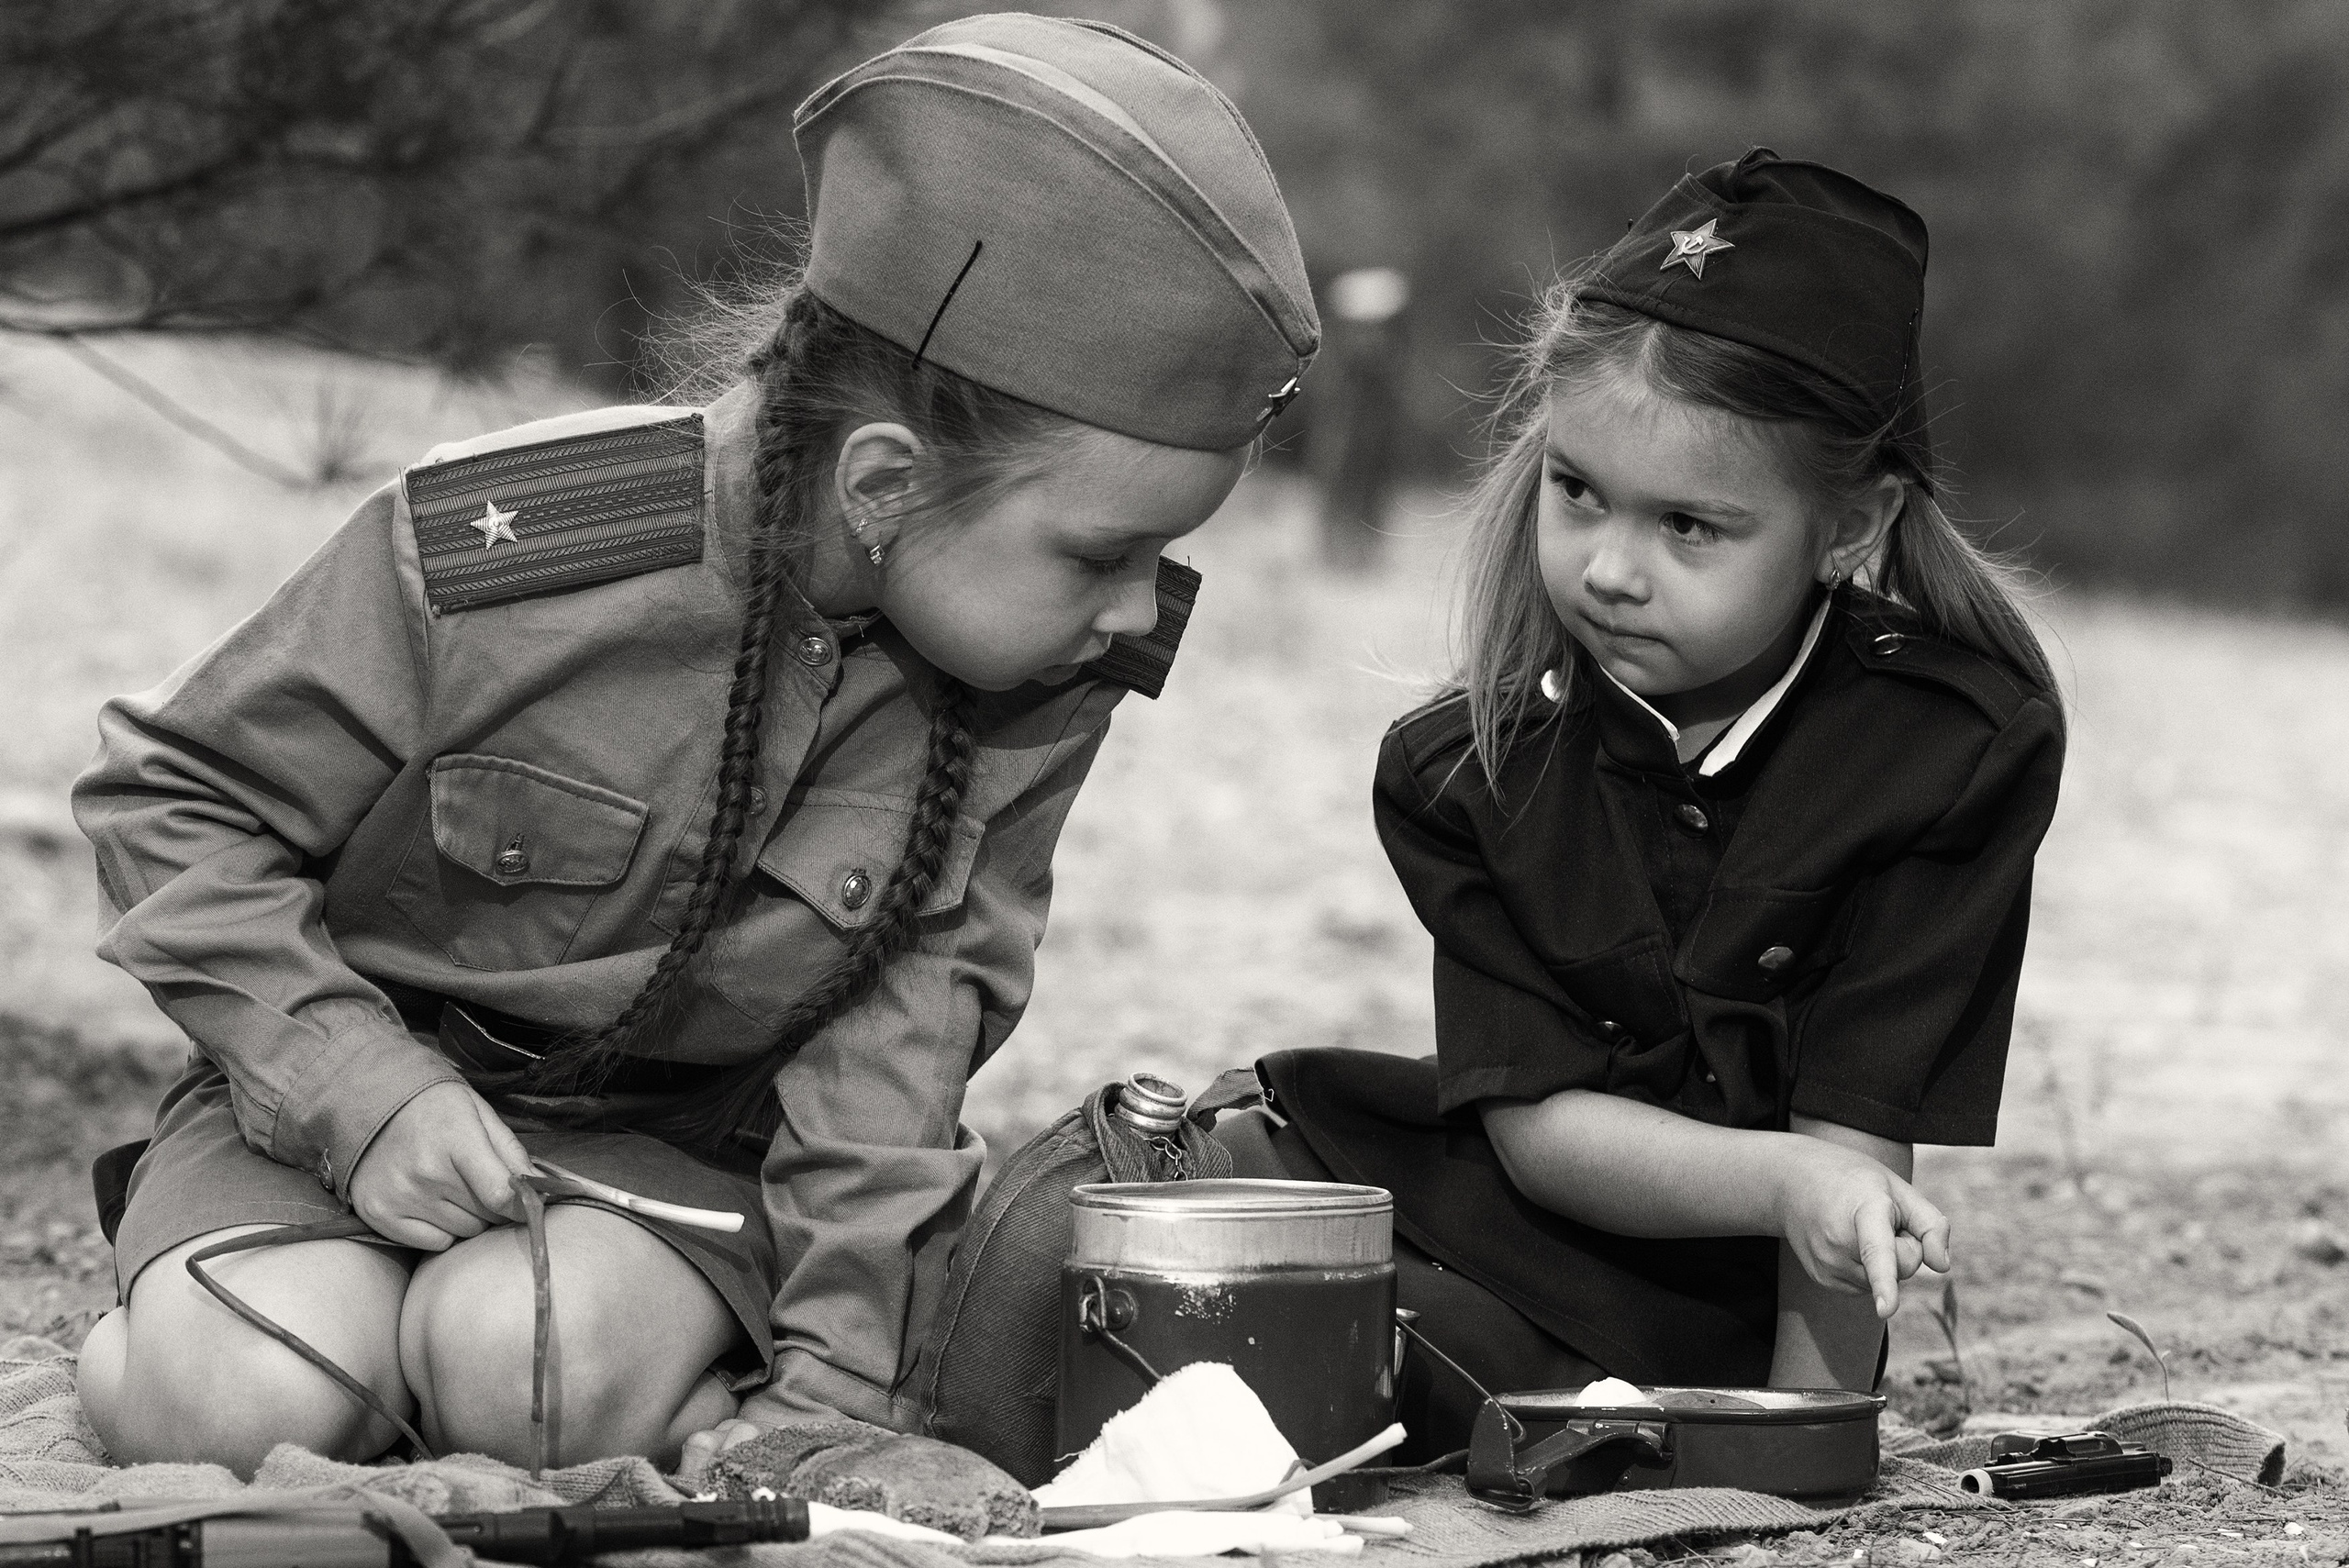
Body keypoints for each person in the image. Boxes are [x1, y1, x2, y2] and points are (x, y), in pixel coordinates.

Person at [70, 13, 1317, 1479]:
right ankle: (151, 1340)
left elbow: (901, 1048)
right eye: (1108, 551)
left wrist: (830, 1393)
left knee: (527, 1371)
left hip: (680, 1165)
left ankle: (621, 1366)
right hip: (329, 1099)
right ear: (885, 483)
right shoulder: (519, 553)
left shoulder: (1030, 671)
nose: (1135, 613)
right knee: (242, 1403)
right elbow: (173, 800)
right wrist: (361, 1090)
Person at [1242, 150, 2064, 1448]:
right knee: (1284, 1290)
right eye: (1580, 493)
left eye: (1690, 527)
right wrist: (1795, 1180)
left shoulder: (1951, 752)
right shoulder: (1467, 766)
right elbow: (1538, 1132)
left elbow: (1856, 1140)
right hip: (1502, 1232)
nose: (1611, 569)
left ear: (1850, 529)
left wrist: (1800, 1440)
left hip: (1716, 1320)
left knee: (1480, 1388)